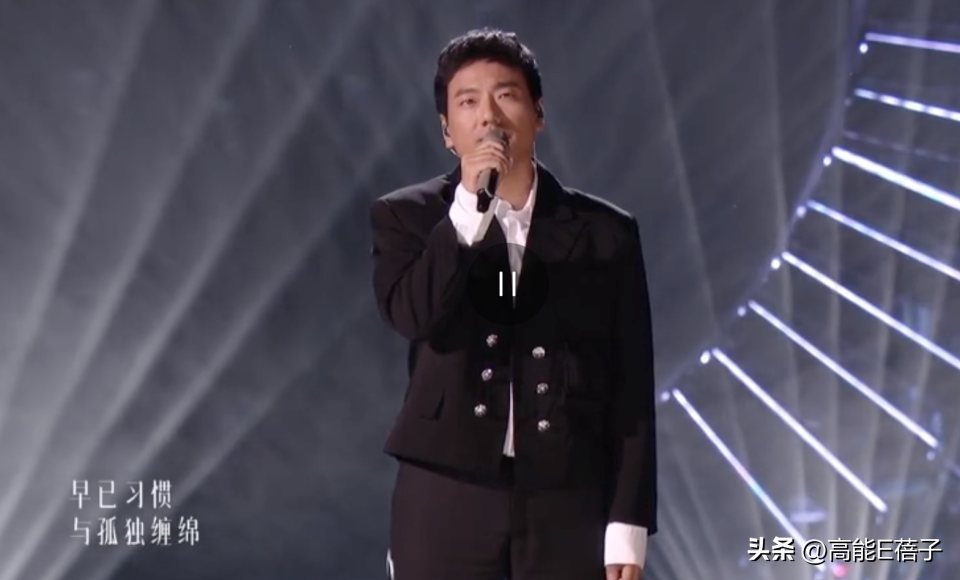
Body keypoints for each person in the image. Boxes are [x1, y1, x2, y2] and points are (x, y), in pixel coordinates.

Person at [370, 28, 657, 580]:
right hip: (445, 493)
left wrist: (628, 521)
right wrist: (467, 211)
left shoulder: (606, 232)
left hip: (567, 495)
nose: (489, 115)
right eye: (468, 101)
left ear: (538, 113)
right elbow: (412, 314)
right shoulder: (408, 216)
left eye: (505, 95)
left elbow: (632, 383)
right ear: (447, 131)